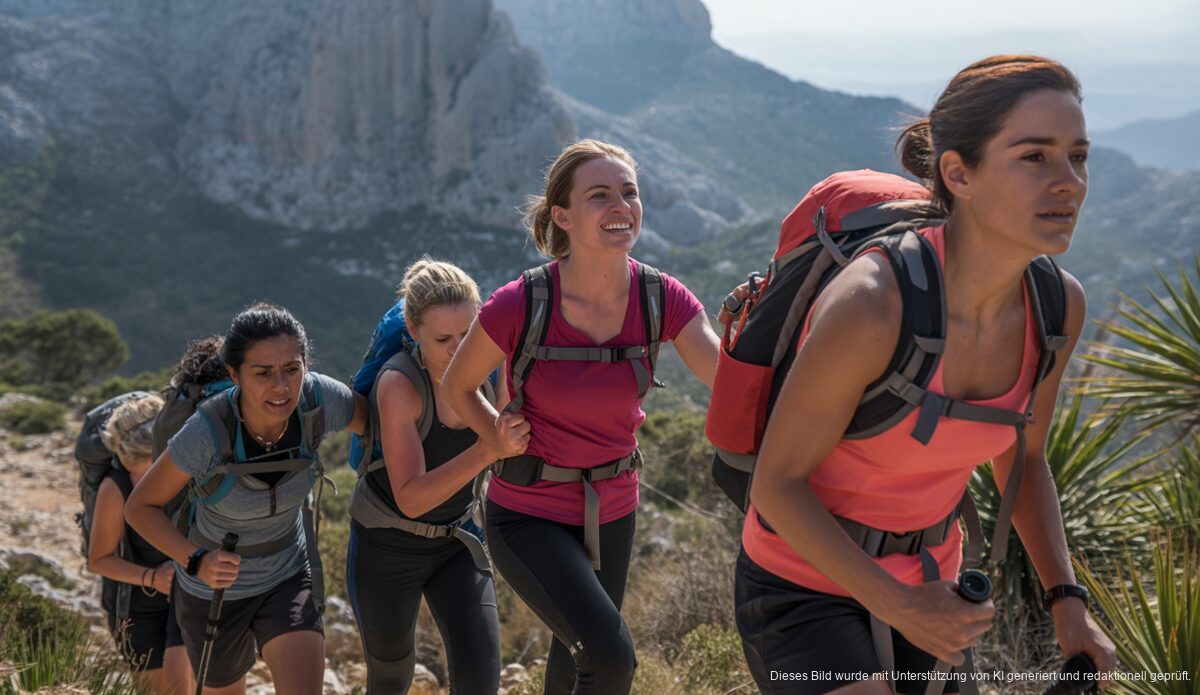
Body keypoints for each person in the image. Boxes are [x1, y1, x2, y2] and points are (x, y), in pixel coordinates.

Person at [734, 55, 1118, 694]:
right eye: (1035, 157)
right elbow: (777, 487)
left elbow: (1025, 461)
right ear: (957, 174)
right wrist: (897, 604)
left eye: (1078, 156)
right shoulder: (873, 305)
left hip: (931, 587)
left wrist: (1067, 602)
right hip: (799, 585)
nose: (1070, 182)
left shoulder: (1058, 308)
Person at [443, 139, 722, 694]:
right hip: (527, 514)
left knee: (575, 661)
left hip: (614, 509)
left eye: (629, 192)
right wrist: (493, 435)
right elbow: (458, 386)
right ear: (562, 217)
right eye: (600, 196)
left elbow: (727, 380)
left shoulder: (661, 297)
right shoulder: (521, 303)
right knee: (609, 656)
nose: (621, 206)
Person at [126, 303, 367, 695]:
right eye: (263, 373)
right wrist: (195, 559)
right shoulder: (205, 432)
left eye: (292, 368)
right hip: (215, 591)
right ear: (235, 374)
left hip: (288, 573)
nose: (282, 386)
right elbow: (139, 508)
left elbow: (382, 424)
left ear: (306, 364)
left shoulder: (319, 400)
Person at [346, 258, 504, 694]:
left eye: (469, 334)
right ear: (413, 332)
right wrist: (488, 449)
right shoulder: (400, 384)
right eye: (442, 339)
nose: (460, 349)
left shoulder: (493, 364)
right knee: (391, 678)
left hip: (457, 541)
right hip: (387, 546)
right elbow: (412, 498)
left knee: (481, 680)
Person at [88, 393, 194, 694]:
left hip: (188, 597)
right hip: (136, 609)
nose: (144, 482)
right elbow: (98, 559)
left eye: (150, 471)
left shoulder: (187, 469)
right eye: (135, 471)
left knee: (191, 686)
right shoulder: (114, 488)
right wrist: (153, 578)